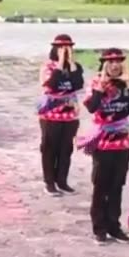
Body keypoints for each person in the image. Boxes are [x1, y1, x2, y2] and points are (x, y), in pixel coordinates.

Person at [79, 47, 129, 243]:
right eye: (110, 62)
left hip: (122, 142)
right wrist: (101, 85)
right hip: (103, 141)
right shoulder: (96, 81)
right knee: (101, 185)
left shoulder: (127, 82)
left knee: (117, 185)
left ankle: (114, 226)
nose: (115, 65)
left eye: (118, 62)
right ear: (104, 64)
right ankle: (99, 228)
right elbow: (92, 107)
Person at [37, 34, 85, 196]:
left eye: (68, 48)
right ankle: (49, 182)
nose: (65, 51)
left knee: (66, 149)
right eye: (61, 48)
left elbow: (77, 84)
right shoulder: (48, 67)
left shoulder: (75, 67)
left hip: (70, 116)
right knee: (49, 149)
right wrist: (59, 64)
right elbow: (51, 85)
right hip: (51, 115)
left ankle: (62, 181)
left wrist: (70, 63)